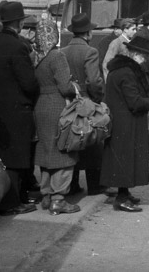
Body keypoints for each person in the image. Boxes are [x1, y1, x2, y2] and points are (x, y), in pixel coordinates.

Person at [0, 1, 40, 215]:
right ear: (20, 22)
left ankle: (4, 200)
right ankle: (11, 203)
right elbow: (29, 83)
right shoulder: (18, 46)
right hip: (16, 110)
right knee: (16, 158)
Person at [101, 36, 149, 213]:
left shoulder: (117, 70)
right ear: (135, 54)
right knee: (126, 160)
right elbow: (134, 102)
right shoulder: (127, 72)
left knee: (124, 160)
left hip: (121, 121)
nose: (145, 60)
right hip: (127, 123)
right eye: (144, 56)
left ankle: (124, 193)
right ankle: (121, 199)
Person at [32, 18, 80, 215]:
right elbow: (65, 86)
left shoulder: (35, 56)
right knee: (63, 149)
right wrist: (75, 88)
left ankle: (46, 195)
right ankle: (59, 199)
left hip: (40, 105)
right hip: (57, 105)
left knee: (45, 149)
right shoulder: (56, 56)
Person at [60, 13, 105, 195]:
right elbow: (94, 80)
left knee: (74, 138)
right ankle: (95, 185)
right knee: (92, 140)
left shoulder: (62, 51)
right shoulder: (90, 51)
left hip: (69, 101)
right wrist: (98, 98)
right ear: (88, 33)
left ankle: (72, 185)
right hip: (87, 100)